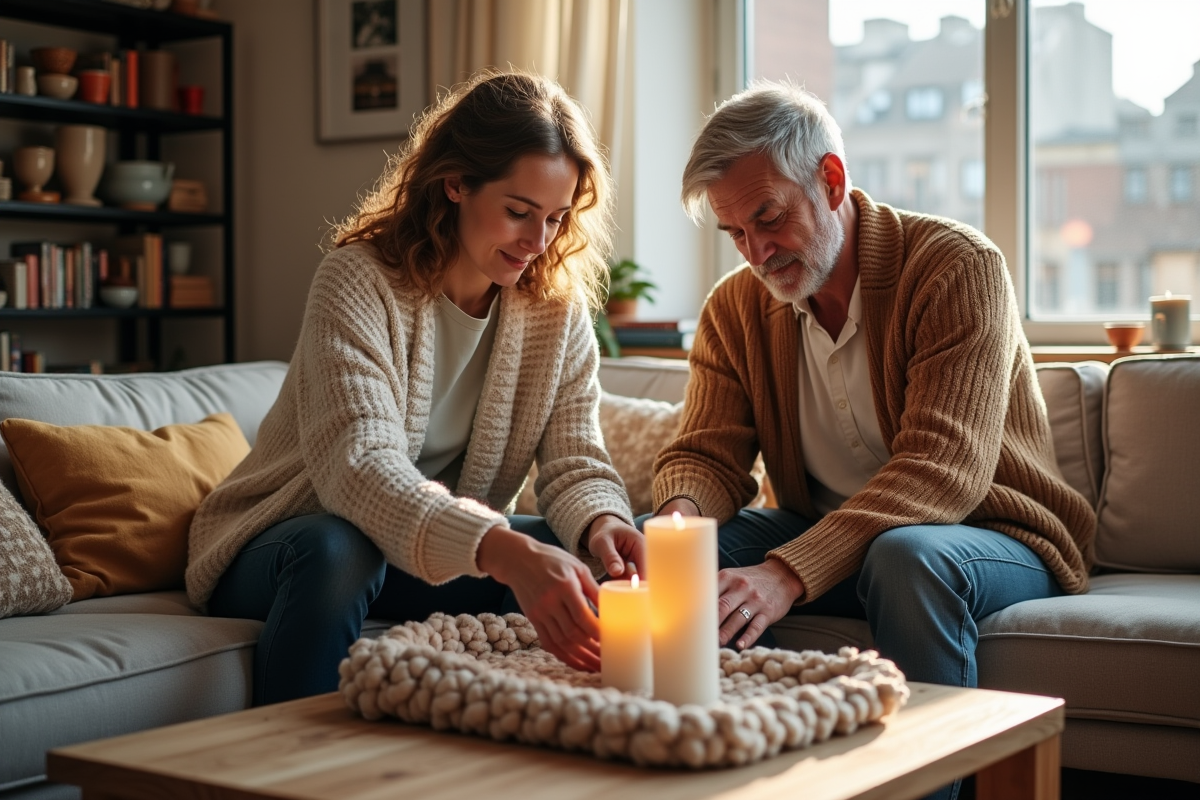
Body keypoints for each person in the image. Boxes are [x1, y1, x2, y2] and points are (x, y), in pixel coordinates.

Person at [187, 71, 644, 706]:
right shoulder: (357, 281)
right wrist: (499, 548)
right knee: (339, 549)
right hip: (285, 544)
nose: (538, 243)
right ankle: (287, 769)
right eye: (518, 212)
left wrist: (603, 523)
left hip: (420, 552)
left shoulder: (555, 313)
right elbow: (360, 467)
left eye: (556, 218)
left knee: (570, 557)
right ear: (455, 182)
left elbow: (574, 461)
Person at [655, 80, 1096, 690]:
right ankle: (757, 740)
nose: (756, 253)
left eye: (770, 217)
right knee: (684, 557)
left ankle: (925, 782)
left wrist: (786, 575)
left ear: (831, 181)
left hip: (989, 536)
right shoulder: (733, 308)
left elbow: (942, 471)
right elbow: (707, 454)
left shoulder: (956, 266)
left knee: (906, 556)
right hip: (831, 537)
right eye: (735, 233)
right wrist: (679, 520)